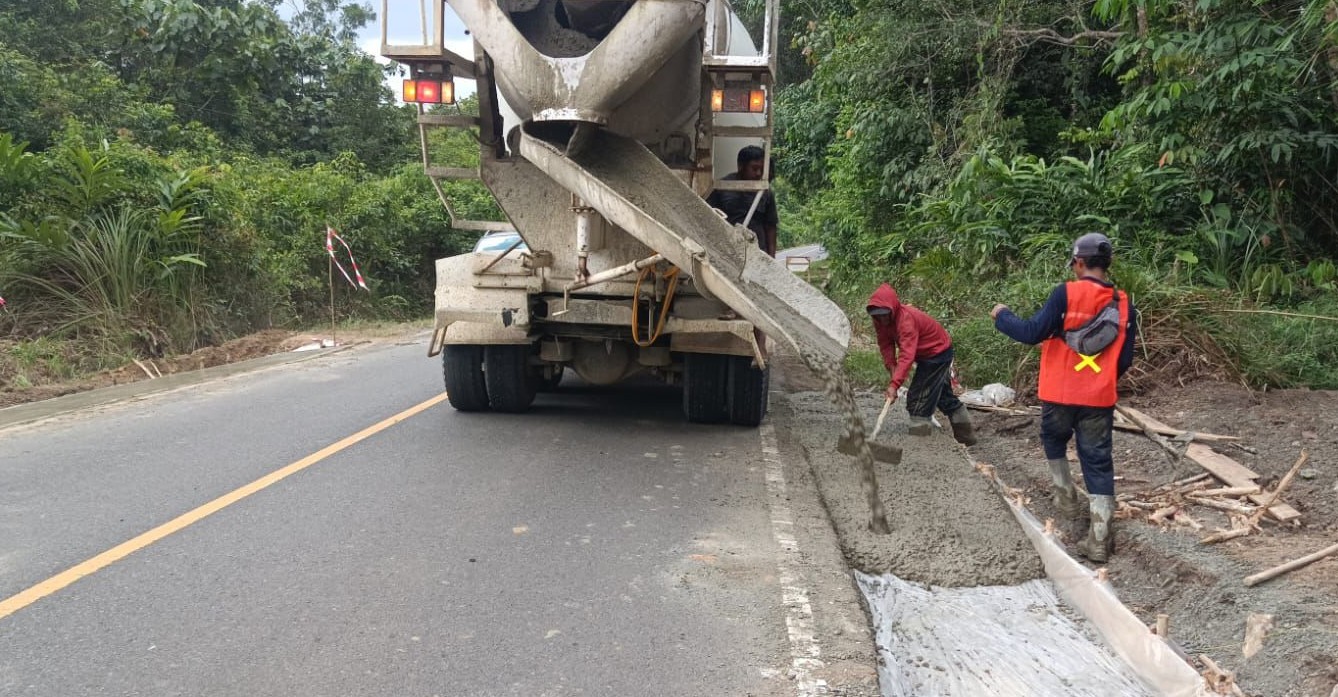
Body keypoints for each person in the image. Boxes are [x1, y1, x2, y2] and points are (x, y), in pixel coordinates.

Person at [991, 232, 1138, 563]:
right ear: (1107, 263)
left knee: (1053, 438)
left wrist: (1002, 315)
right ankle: (1099, 539)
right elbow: (1126, 359)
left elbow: (1031, 332)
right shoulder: (1123, 303)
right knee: (1098, 460)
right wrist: (1101, 381)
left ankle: (1066, 497)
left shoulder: (1065, 294)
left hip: (1059, 392)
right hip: (1098, 398)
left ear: (1079, 263)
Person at [866, 283, 976, 446]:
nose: (882, 319)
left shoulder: (906, 321)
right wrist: (892, 369)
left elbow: (907, 355)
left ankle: (922, 445)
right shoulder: (880, 321)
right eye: (877, 316)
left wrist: (895, 384)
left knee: (918, 401)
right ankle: (967, 439)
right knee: (944, 397)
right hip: (928, 353)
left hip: (937, 354)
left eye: (884, 315)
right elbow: (885, 344)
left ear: (892, 309)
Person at [707, 145, 778, 257]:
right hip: (727, 252)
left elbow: (771, 227)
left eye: (762, 170)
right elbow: (708, 217)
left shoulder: (765, 192)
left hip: (757, 252)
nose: (758, 173)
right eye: (754, 168)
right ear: (740, 166)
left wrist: (771, 257)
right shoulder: (722, 187)